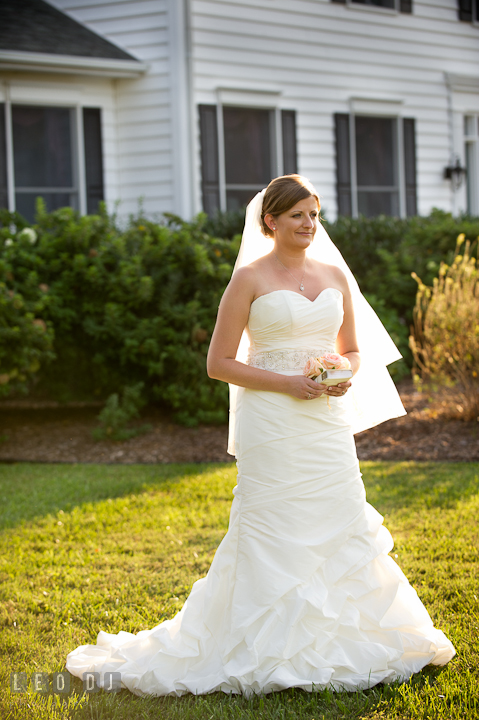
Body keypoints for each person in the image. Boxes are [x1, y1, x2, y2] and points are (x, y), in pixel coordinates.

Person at [66, 174, 455, 697]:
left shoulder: (335, 273)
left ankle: (348, 639)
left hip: (324, 421)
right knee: (271, 522)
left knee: (339, 516)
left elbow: (356, 350)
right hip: (270, 419)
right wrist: (288, 383)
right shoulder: (248, 278)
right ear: (271, 220)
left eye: (314, 215)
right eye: (298, 215)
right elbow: (218, 363)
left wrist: (340, 374)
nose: (309, 225)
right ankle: (257, 641)